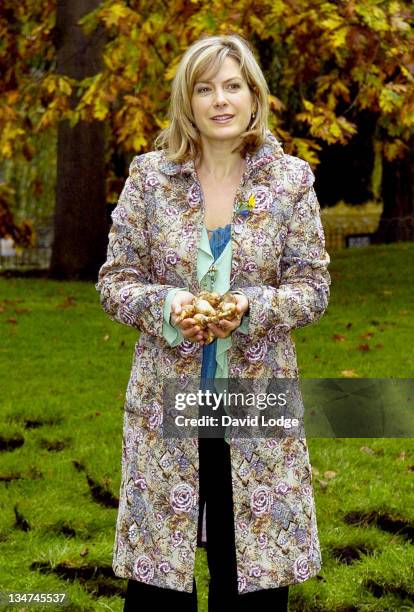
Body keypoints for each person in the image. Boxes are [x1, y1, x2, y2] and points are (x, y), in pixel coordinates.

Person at [95, 33, 331, 612]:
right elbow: (115, 279)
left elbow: (313, 288)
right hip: (164, 403)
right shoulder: (150, 177)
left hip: (254, 403)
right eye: (205, 89)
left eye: (233, 86)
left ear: (254, 97)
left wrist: (249, 307)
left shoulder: (290, 180)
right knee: (157, 585)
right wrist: (168, 305)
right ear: (187, 100)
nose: (220, 100)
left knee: (250, 575)